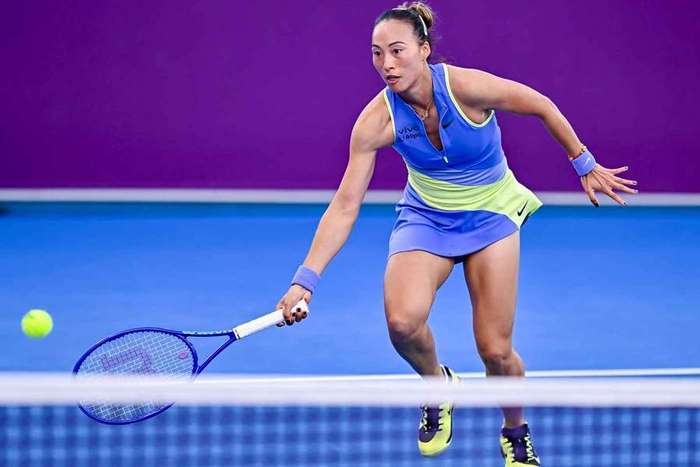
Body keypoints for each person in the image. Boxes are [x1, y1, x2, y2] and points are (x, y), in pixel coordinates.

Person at [276, 2, 637, 465]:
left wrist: (583, 162)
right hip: (427, 217)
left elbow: (541, 105)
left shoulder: (465, 87)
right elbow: (346, 205)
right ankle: (438, 384)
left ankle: (515, 430)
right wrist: (305, 278)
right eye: (377, 53)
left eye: (398, 50)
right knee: (402, 324)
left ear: (424, 50)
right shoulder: (376, 121)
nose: (387, 63)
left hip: (491, 214)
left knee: (495, 350)